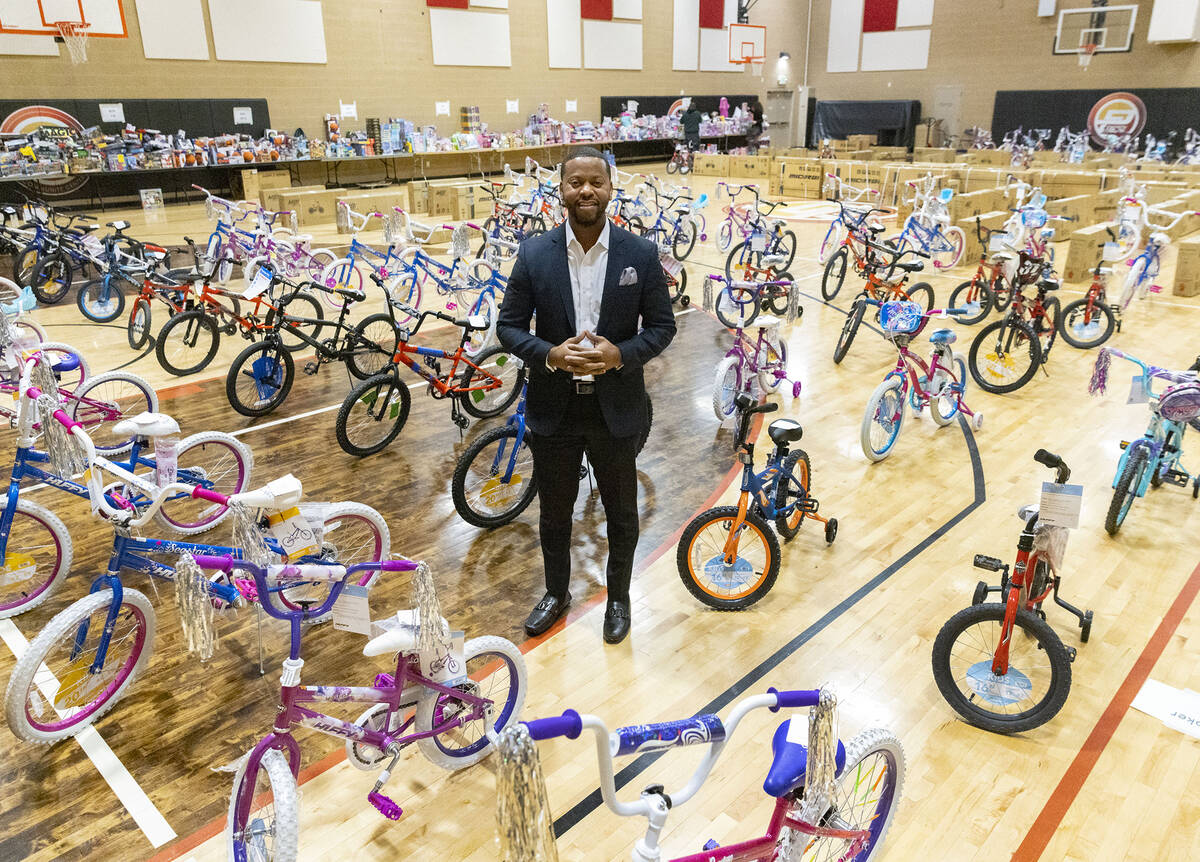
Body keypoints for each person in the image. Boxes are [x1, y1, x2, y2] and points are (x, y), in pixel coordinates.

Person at [496, 146, 676, 645]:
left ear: (610, 188)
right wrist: (551, 354)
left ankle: (618, 596)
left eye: (595, 182)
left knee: (622, 512)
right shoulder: (534, 254)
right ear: (561, 190)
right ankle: (557, 592)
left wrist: (621, 355)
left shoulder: (639, 254)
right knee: (554, 512)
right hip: (555, 409)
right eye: (576, 182)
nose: (586, 191)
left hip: (616, 409)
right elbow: (509, 328)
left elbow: (662, 327)